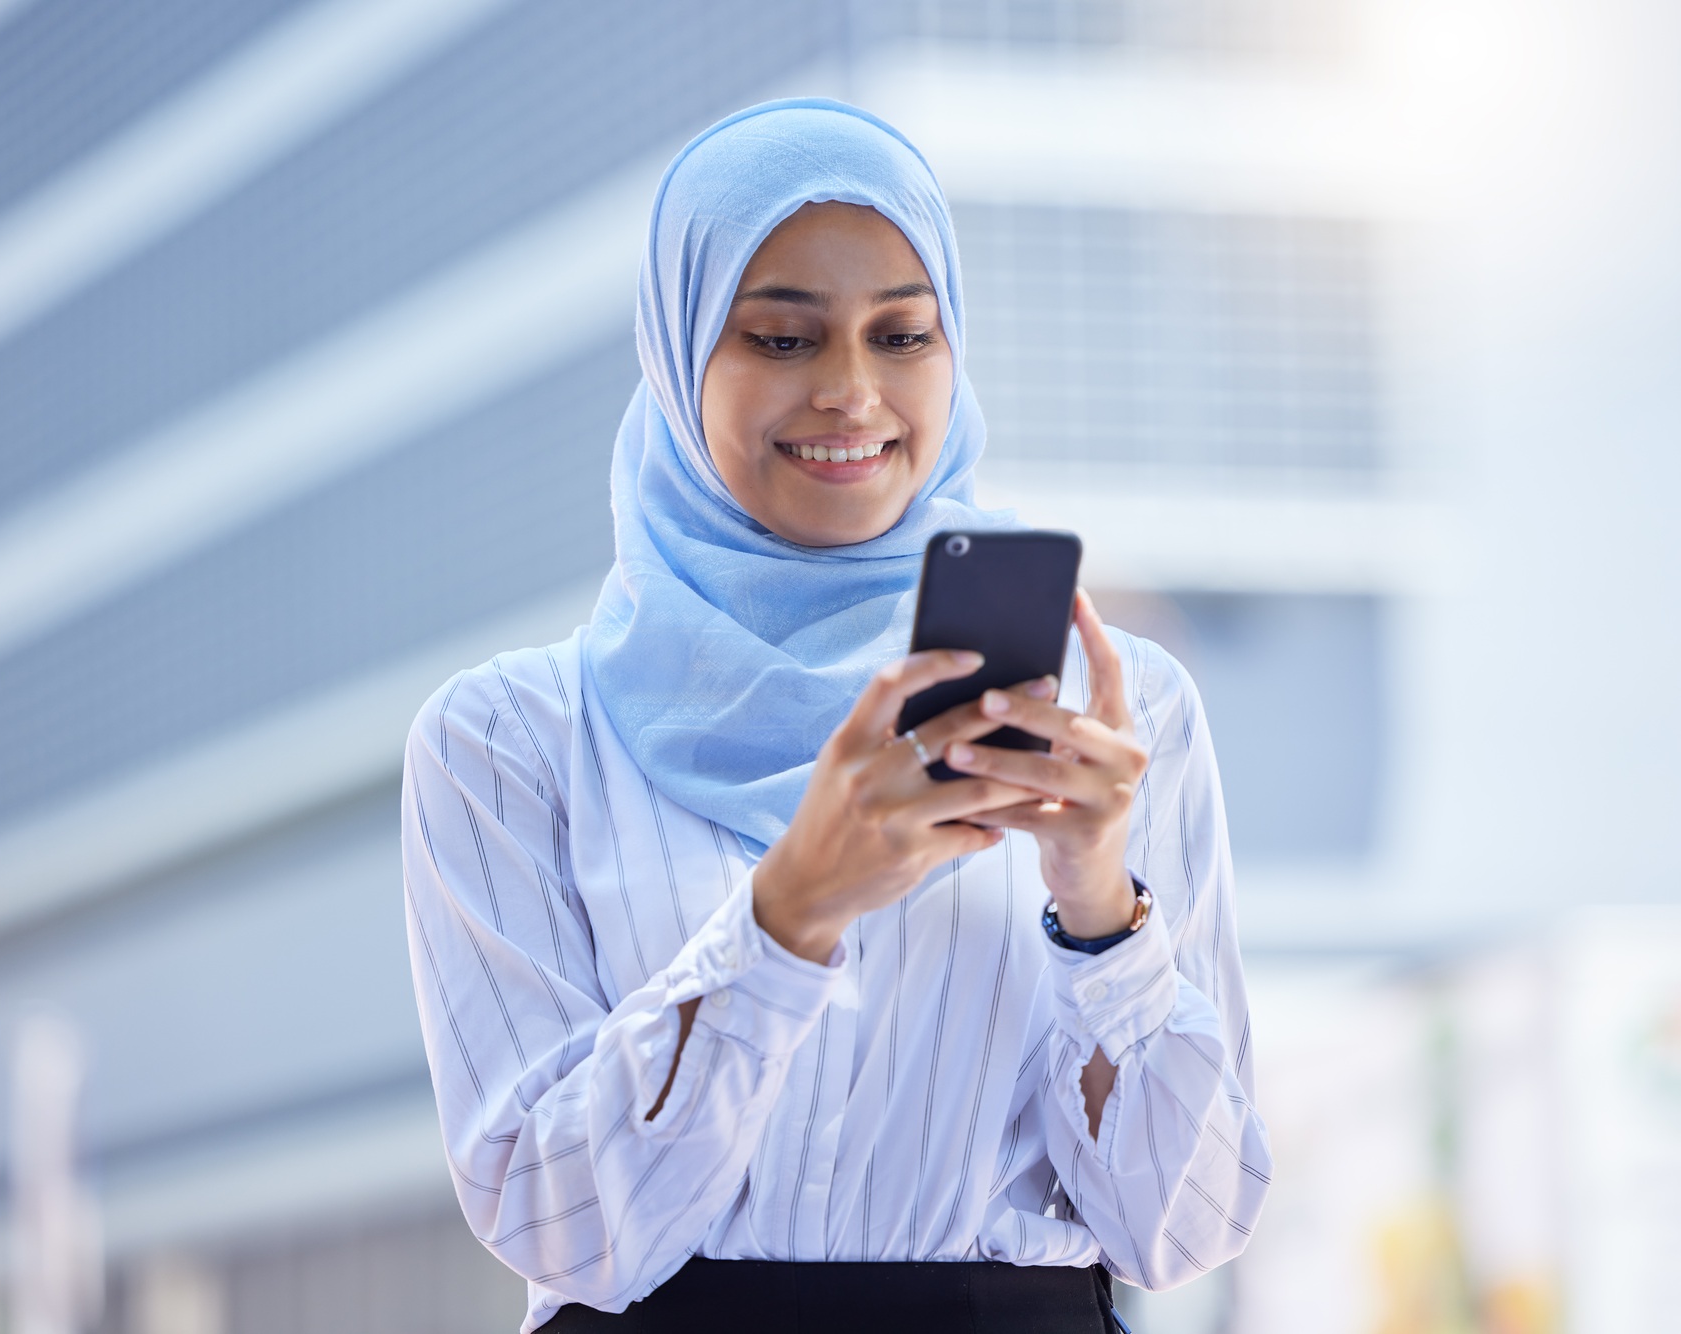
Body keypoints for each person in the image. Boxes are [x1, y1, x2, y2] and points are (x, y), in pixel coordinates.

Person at [402, 99, 1270, 1333]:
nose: (851, 392)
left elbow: (1184, 1228)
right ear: (677, 354)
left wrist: (1098, 909)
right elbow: (557, 1224)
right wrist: (786, 913)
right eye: (781, 337)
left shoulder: (1113, 715)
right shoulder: (509, 739)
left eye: (902, 334)